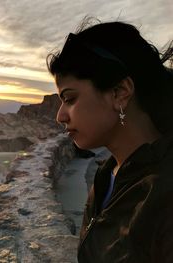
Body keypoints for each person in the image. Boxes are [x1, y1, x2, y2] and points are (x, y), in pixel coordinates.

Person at [46, 18, 173, 263]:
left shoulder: (165, 198)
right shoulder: (107, 175)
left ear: (119, 93)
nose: (60, 116)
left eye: (70, 99)